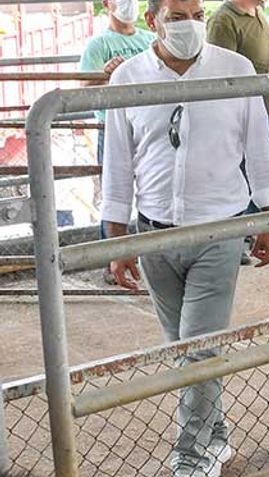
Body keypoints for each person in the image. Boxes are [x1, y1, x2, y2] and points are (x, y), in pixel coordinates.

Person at [101, 0, 269, 477]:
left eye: (196, 13)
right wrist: (118, 237)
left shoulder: (235, 70)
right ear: (153, 20)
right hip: (154, 234)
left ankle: (188, 459)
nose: (189, 24)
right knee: (184, 349)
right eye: (177, 15)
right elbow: (118, 159)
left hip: (218, 229)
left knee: (199, 349)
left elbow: (258, 146)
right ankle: (216, 436)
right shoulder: (130, 78)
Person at [81, 0, 157, 284]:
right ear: (107, 4)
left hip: (149, 125)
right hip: (113, 127)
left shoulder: (150, 39)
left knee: (152, 186)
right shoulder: (99, 45)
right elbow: (84, 89)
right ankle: (112, 257)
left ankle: (152, 252)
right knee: (114, 189)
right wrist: (106, 75)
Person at [205, 0, 269, 147]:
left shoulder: (256, 11)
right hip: (249, 120)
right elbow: (220, 75)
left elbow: (267, 32)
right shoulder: (223, 21)